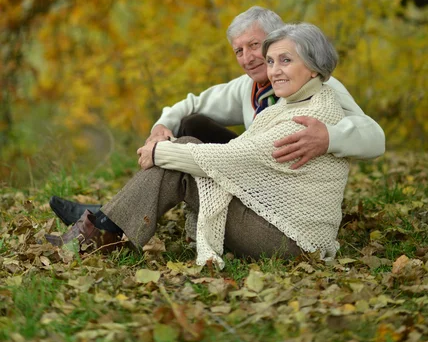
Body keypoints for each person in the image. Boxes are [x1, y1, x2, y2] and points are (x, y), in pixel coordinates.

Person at [46, 23, 353, 266]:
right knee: (188, 141)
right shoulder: (299, 101)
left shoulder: (306, 117)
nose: (273, 70)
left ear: (313, 67)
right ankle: (104, 225)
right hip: (282, 221)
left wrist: (159, 152)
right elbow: (197, 111)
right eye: (271, 61)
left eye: (285, 61)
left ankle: (100, 230)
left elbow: (234, 157)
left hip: (290, 239)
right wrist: (165, 137)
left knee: (182, 162)